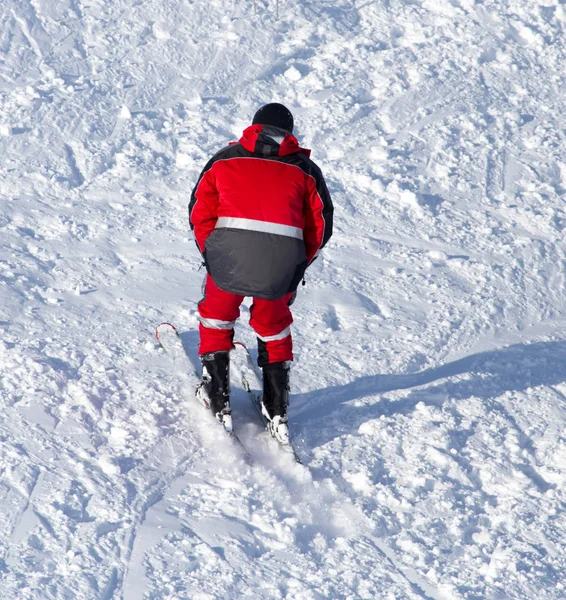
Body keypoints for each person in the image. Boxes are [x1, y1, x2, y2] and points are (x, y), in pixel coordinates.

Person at [188, 102, 333, 442]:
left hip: (228, 258)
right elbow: (320, 226)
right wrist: (296, 265)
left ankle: (217, 395)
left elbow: (199, 211)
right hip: (280, 266)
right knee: (273, 325)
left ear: (254, 128)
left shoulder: (224, 160)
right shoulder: (305, 169)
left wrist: (213, 253)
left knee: (217, 317)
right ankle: (277, 407)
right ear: (290, 134)